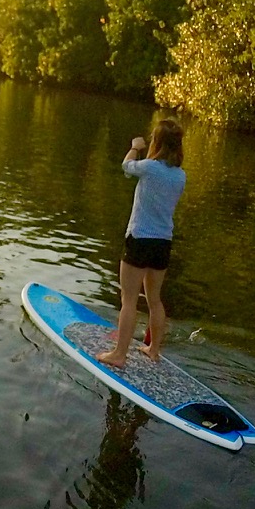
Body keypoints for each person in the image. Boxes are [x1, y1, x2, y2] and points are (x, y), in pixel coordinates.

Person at [96, 117, 185, 368]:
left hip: (139, 239)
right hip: (162, 243)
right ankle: (153, 350)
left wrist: (135, 147)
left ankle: (119, 355)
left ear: (157, 142)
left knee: (129, 299)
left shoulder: (148, 167)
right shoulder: (180, 176)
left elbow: (126, 166)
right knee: (154, 300)